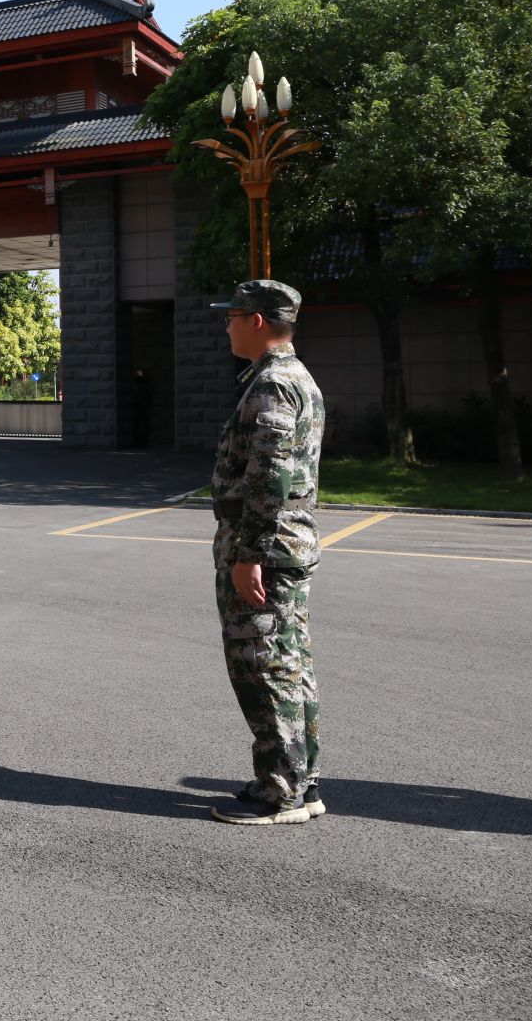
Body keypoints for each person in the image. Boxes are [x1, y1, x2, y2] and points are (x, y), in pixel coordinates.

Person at [206, 279, 325, 827]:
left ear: (256, 320)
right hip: (279, 544)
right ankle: (295, 779)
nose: (226, 325)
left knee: (264, 665)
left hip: (266, 548)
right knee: (287, 663)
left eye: (231, 315)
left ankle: (285, 791)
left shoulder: (274, 385)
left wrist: (247, 552)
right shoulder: (286, 378)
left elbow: (269, 475)